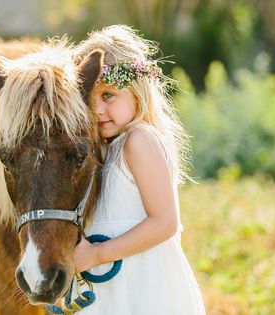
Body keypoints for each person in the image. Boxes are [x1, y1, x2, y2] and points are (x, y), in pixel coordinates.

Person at [72, 25, 206, 315]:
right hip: (112, 286)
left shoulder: (139, 140)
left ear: (137, 92)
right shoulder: (105, 149)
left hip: (144, 287)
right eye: (88, 100)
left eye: (108, 96)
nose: (97, 110)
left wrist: (97, 254)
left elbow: (165, 222)